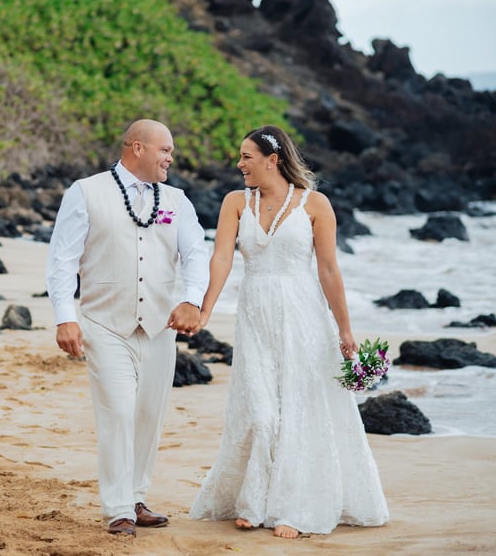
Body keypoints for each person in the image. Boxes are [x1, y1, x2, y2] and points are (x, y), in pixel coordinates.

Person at [188, 125, 389, 538]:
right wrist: (205, 308)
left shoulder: (316, 205)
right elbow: (222, 256)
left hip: (304, 319)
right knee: (260, 413)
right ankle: (253, 499)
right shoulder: (234, 203)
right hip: (255, 317)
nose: (239, 164)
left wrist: (345, 329)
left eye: (246, 156)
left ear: (272, 160)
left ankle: (294, 508)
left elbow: (329, 270)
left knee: (300, 411)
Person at [45, 119, 210, 537]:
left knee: (148, 416)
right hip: (104, 324)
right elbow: (62, 260)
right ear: (137, 148)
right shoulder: (86, 192)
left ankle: (137, 496)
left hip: (158, 326)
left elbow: (196, 255)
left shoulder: (177, 200)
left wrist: (192, 299)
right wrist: (65, 316)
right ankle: (118, 508)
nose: (171, 157)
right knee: (118, 412)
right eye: (165, 150)